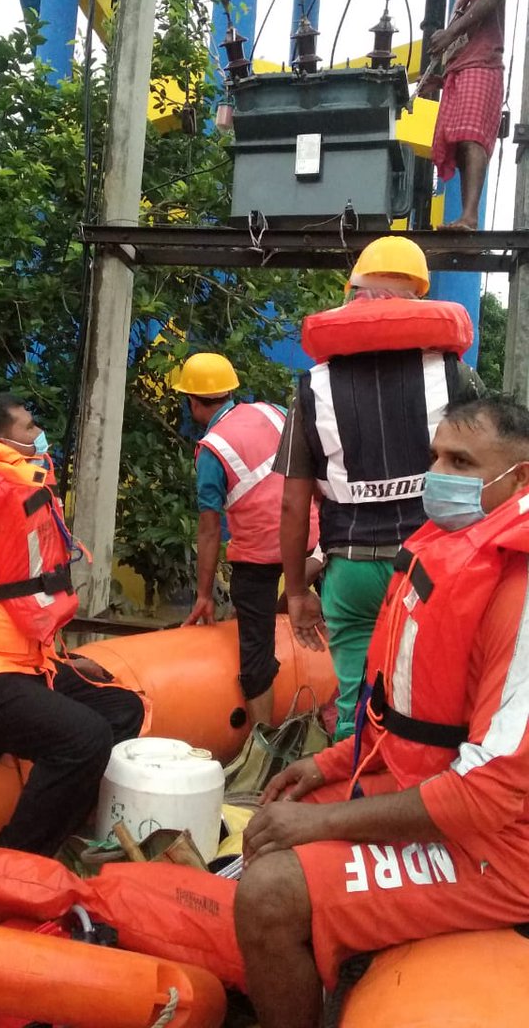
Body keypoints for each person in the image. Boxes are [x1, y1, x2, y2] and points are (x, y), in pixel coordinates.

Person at [235, 394, 529, 1028]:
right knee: (272, 821)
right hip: (431, 791)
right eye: (435, 458)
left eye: (462, 461)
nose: (437, 477)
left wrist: (323, 825)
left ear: (522, 478)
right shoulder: (450, 544)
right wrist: (326, 766)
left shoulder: (520, 584)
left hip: (506, 849)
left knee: (269, 892)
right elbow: (404, 714)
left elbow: (488, 794)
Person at [274, 235, 483, 741]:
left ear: (354, 296)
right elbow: (487, 472)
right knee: (431, 694)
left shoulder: (313, 388)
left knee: (354, 699)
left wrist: (298, 590)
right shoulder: (455, 376)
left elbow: (291, 503)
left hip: (349, 568)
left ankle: (351, 792)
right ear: (420, 300)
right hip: (430, 562)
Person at [0, 391, 145, 855]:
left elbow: (14, 601)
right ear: (0, 442)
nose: (38, 434)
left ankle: (65, 828)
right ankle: (14, 863)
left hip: (13, 663)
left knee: (122, 709)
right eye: (29, 427)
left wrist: (58, 659)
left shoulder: (10, 497)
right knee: (83, 737)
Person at [173, 353, 318, 727]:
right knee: (307, 608)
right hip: (311, 536)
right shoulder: (272, 412)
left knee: (255, 650)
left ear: (192, 401)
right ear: (231, 390)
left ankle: (262, 742)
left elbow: (209, 530)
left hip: (259, 556)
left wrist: (204, 595)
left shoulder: (212, 451)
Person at [418, 0, 510, 232]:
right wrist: (441, 79)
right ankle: (466, 219)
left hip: (483, 66)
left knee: (472, 137)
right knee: (459, 145)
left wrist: (452, 30)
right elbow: (466, 41)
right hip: (461, 73)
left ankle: (470, 216)